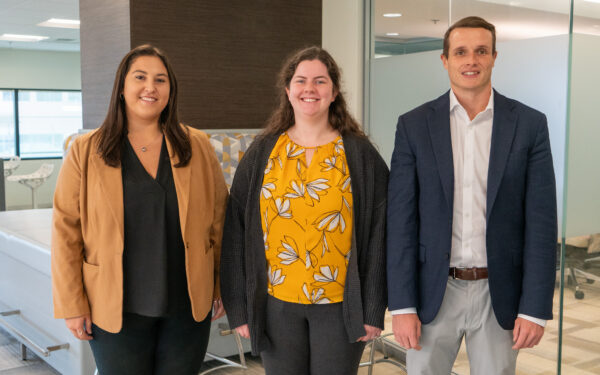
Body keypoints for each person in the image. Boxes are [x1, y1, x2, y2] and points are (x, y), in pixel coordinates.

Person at [387, 16, 557, 374]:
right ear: (444, 59)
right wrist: (402, 307)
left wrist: (534, 308)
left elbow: (541, 225)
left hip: (500, 294)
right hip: (432, 291)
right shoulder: (414, 125)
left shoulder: (529, 125)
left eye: (481, 51)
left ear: (495, 57)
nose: (471, 60)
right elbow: (401, 222)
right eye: (461, 52)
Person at [51, 44, 228, 375]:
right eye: (141, 77)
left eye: (161, 80)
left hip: (187, 305)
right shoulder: (86, 151)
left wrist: (219, 286)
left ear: (170, 90)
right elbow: (66, 231)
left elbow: (219, 222)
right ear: (122, 87)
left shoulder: (198, 146)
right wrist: (72, 304)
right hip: (114, 306)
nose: (151, 87)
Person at [220, 46, 388, 374]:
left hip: (340, 307)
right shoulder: (263, 151)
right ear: (287, 90)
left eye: (320, 81)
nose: (309, 89)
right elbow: (236, 231)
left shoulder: (359, 153)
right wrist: (240, 309)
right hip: (275, 306)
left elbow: (381, 232)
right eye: (301, 81)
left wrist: (371, 310)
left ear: (334, 92)